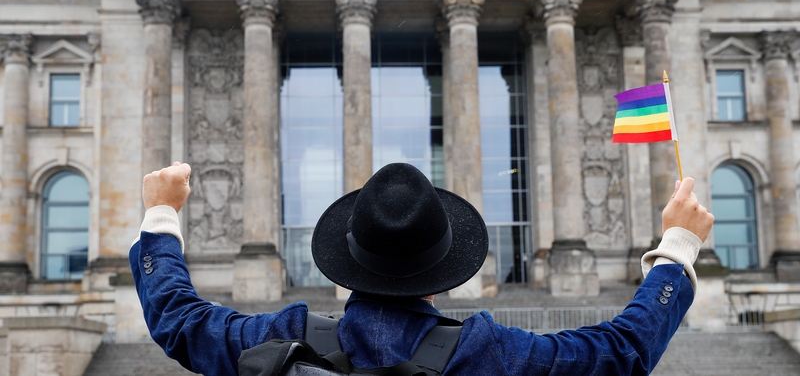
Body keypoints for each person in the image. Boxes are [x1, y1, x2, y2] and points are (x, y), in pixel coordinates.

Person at [131, 161, 714, 375]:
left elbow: (180, 321)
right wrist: (677, 250)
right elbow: (620, 353)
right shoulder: (489, 354)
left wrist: (161, 214)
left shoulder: (283, 341)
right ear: (447, 270)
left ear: (347, 262)